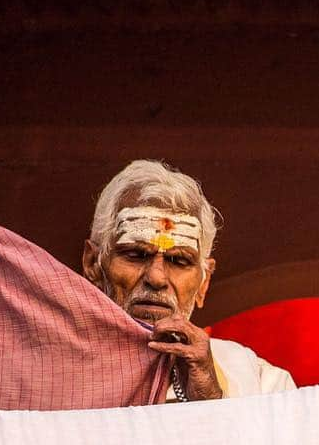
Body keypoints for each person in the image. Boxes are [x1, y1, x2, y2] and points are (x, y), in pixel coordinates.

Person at [81, 159, 296, 401]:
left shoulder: (263, 385)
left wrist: (211, 399)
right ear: (93, 265)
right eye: (136, 255)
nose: (156, 277)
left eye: (178, 261)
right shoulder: (50, 372)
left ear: (204, 283)